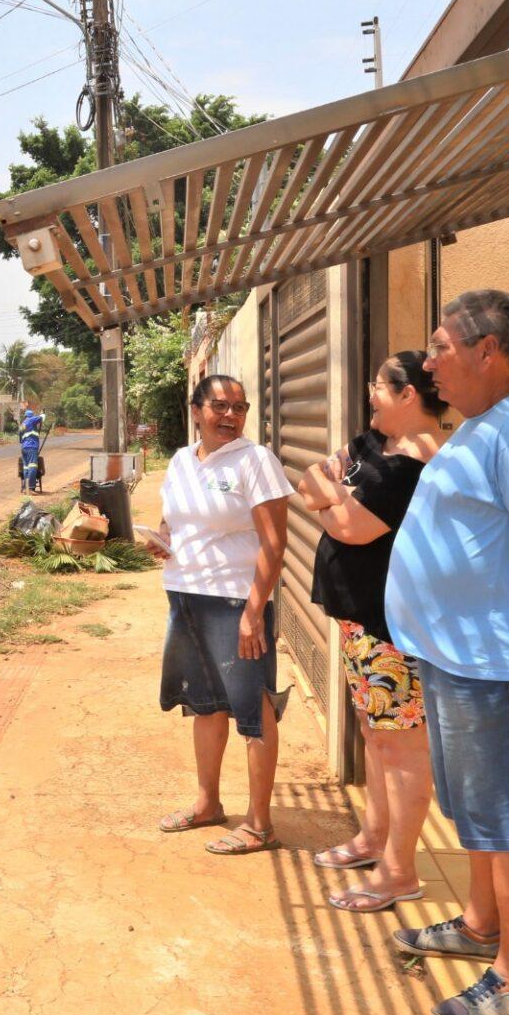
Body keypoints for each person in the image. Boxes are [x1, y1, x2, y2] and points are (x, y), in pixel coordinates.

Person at [383, 290, 509, 1015]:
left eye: (440, 348)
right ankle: (480, 924)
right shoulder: (492, 422)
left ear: (488, 350)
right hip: (465, 656)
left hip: (493, 660)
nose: (428, 365)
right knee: (484, 810)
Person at [299, 351, 447, 913]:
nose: (369, 393)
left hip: (393, 623)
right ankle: (373, 838)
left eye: (379, 386)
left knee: (401, 743)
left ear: (408, 394)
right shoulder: (372, 444)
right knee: (374, 732)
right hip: (356, 617)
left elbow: (354, 529)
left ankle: (399, 870)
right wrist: (334, 501)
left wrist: (333, 500)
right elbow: (310, 481)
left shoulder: (418, 460)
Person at [145, 375, 293, 855]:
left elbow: (275, 543)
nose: (230, 416)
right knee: (204, 705)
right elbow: (173, 519)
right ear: (196, 411)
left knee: (254, 709)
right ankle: (208, 803)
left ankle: (260, 824)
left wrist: (254, 611)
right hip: (185, 597)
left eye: (239, 407)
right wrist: (163, 540)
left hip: (235, 602)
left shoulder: (256, 461)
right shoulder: (181, 461)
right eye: (220, 406)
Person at [19, 408, 44, 494]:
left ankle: (25, 488)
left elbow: (20, 440)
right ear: (31, 416)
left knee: (26, 468)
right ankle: (30, 488)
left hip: (24, 448)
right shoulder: (31, 420)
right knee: (32, 467)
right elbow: (41, 417)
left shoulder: (22, 425)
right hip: (31, 447)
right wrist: (42, 413)